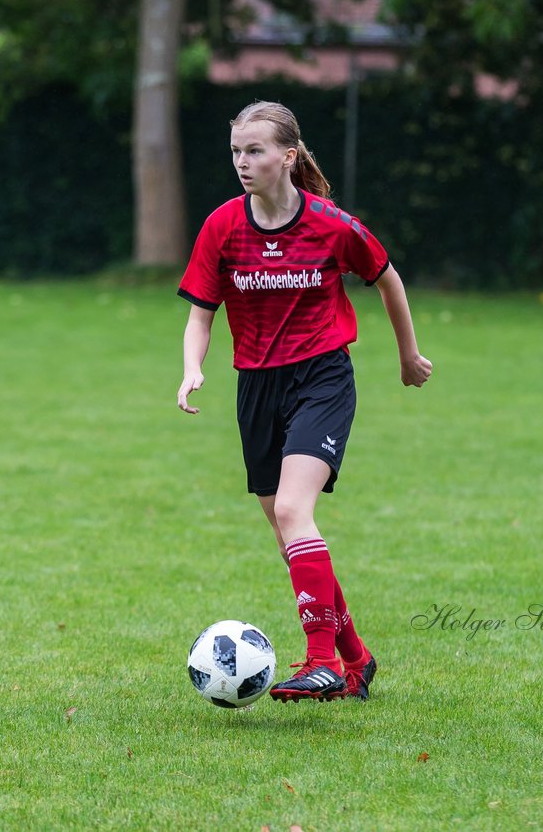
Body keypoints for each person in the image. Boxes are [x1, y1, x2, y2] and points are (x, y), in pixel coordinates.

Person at [175, 100, 432, 703]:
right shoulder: (221, 226)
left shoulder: (330, 223)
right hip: (256, 387)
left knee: (293, 512)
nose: (243, 162)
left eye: (255, 150)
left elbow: (387, 276)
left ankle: (320, 660)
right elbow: (200, 314)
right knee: (289, 527)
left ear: (288, 156)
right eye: (236, 151)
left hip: (321, 378)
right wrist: (193, 367)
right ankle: (356, 660)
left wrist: (407, 357)